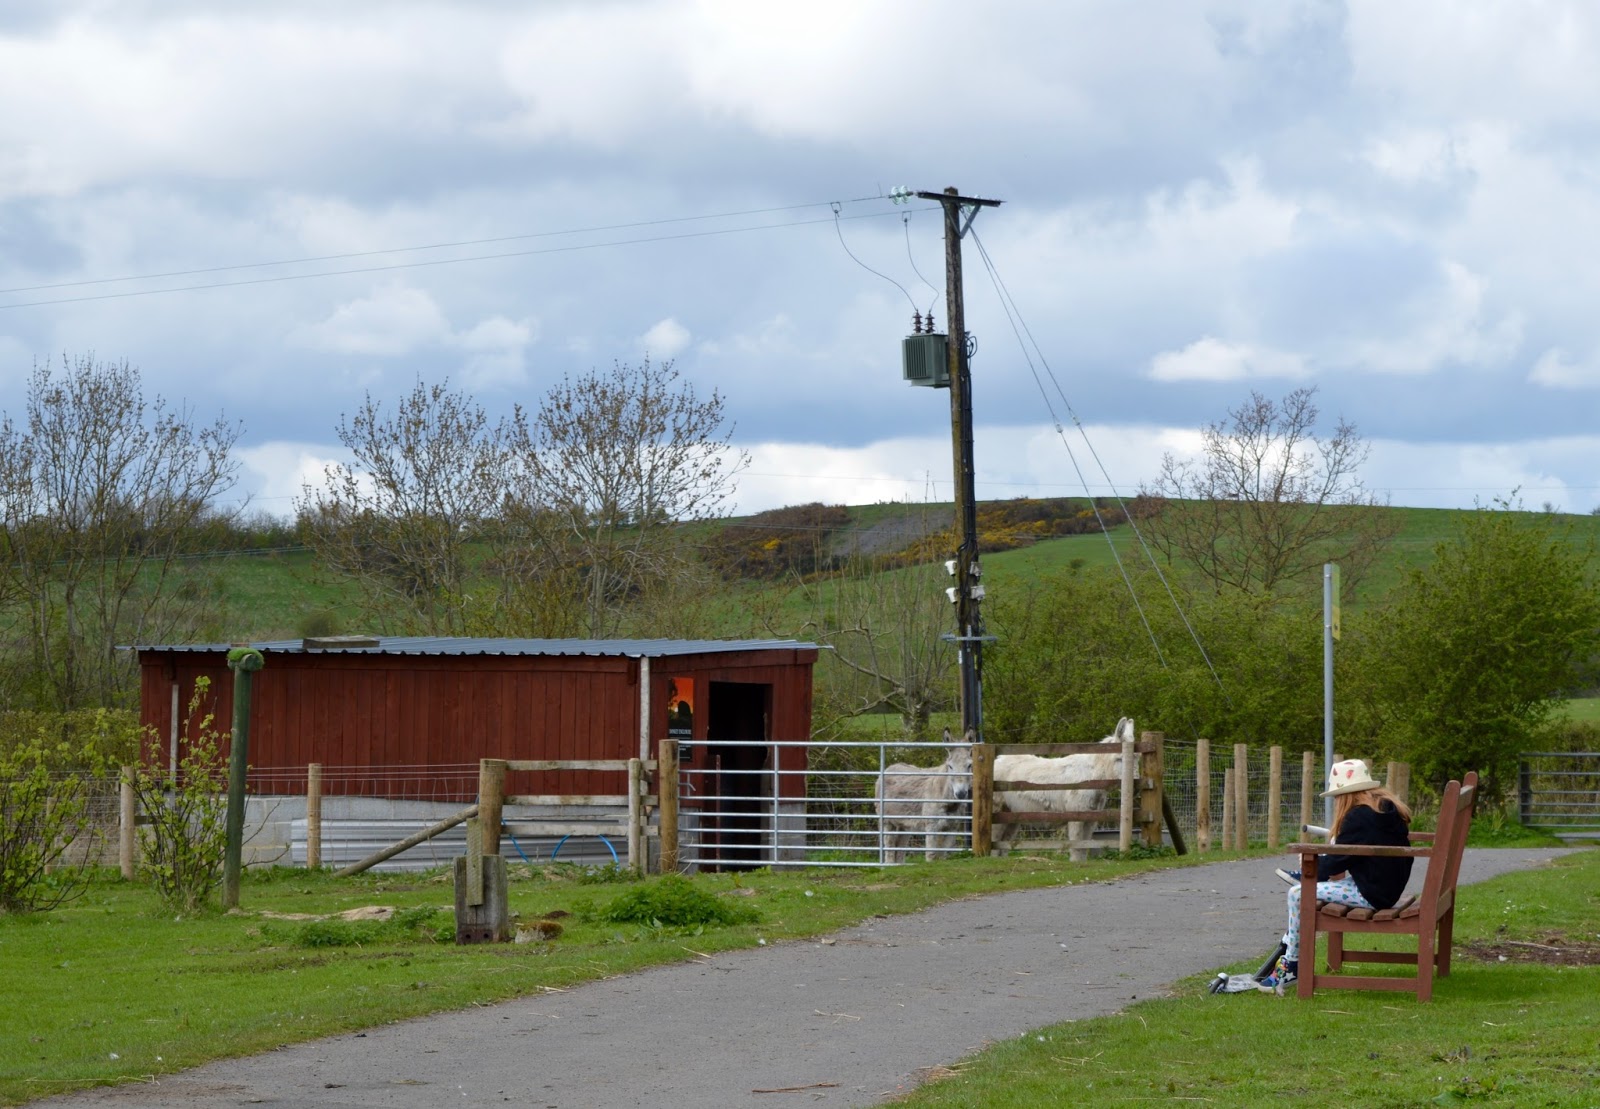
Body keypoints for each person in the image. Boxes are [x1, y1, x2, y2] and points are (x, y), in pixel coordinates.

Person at [1259, 758, 1414, 993]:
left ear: (1345, 794)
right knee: (1306, 889)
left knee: (1298, 894)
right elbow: (1350, 854)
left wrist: (1313, 867)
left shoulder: (1358, 817)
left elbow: (1338, 860)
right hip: (1386, 886)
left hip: (1372, 894)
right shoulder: (1384, 808)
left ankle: (1292, 964)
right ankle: (1291, 950)